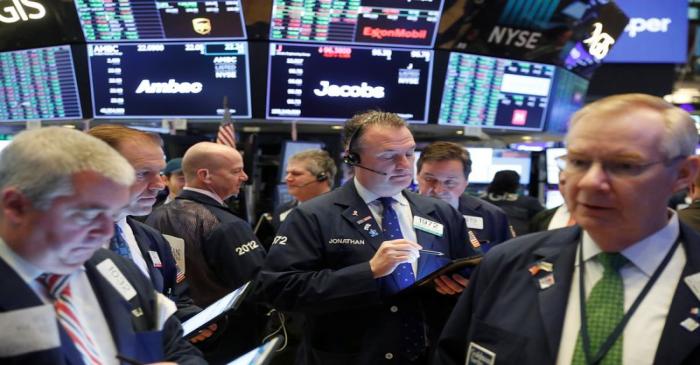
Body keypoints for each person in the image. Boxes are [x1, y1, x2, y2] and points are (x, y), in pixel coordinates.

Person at [435, 93, 700, 365]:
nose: (589, 183)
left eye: (625, 165)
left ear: (683, 174)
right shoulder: (506, 264)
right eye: (578, 162)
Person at [257, 111, 481, 364]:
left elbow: (473, 277)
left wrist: (459, 286)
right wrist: (369, 271)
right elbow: (279, 289)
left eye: (409, 153)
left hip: (429, 355)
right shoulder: (312, 215)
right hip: (350, 357)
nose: (405, 165)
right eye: (389, 156)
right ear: (353, 158)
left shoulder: (440, 212)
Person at [0, 127, 204, 364]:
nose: (106, 231)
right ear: (16, 206)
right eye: (88, 215)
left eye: (111, 214)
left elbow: (179, 350)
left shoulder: (113, 267)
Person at [146, 141, 266, 361]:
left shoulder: (154, 217)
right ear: (205, 175)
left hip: (179, 334)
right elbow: (259, 285)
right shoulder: (225, 224)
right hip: (227, 339)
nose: (245, 177)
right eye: (236, 171)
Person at [87, 125, 206, 334]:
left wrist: (197, 320)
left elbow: (174, 297)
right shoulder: (62, 246)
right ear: (94, 173)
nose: (160, 184)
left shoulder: (152, 239)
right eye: (142, 174)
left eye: (160, 173)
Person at [416, 141, 513, 251]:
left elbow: (507, 261)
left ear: (466, 182)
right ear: (417, 176)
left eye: (449, 182)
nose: (438, 190)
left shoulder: (492, 216)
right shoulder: (399, 210)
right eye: (429, 179)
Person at [273, 149, 337, 229]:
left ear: (322, 177)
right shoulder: (282, 210)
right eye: (287, 173)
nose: (287, 178)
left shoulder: (341, 212)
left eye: (296, 174)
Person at [482, 169, 544, 235]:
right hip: (522, 242)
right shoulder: (530, 203)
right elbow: (543, 222)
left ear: (494, 182)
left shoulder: (481, 202)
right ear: (516, 184)